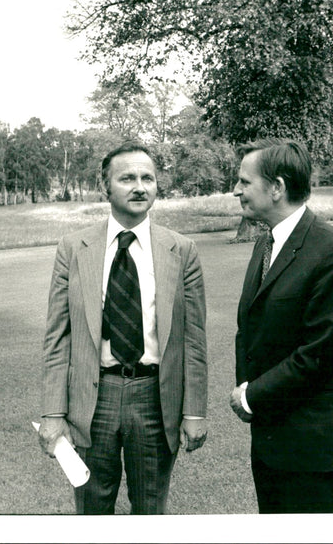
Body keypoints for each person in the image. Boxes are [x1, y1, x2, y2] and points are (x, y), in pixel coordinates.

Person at [38, 142, 208, 514]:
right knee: (92, 509)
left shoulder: (182, 250)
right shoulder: (73, 248)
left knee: (150, 510)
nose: (139, 186)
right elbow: (57, 338)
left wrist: (194, 411)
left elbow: (194, 340)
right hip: (92, 399)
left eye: (148, 178)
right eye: (127, 177)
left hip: (154, 396)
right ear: (106, 187)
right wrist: (53, 413)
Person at [229, 138, 333, 513]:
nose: (236, 190)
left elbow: (319, 355)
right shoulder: (264, 244)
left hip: (314, 447)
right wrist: (247, 388)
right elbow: (249, 327)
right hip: (271, 437)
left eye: (244, 181)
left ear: (276, 188)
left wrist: (251, 396)